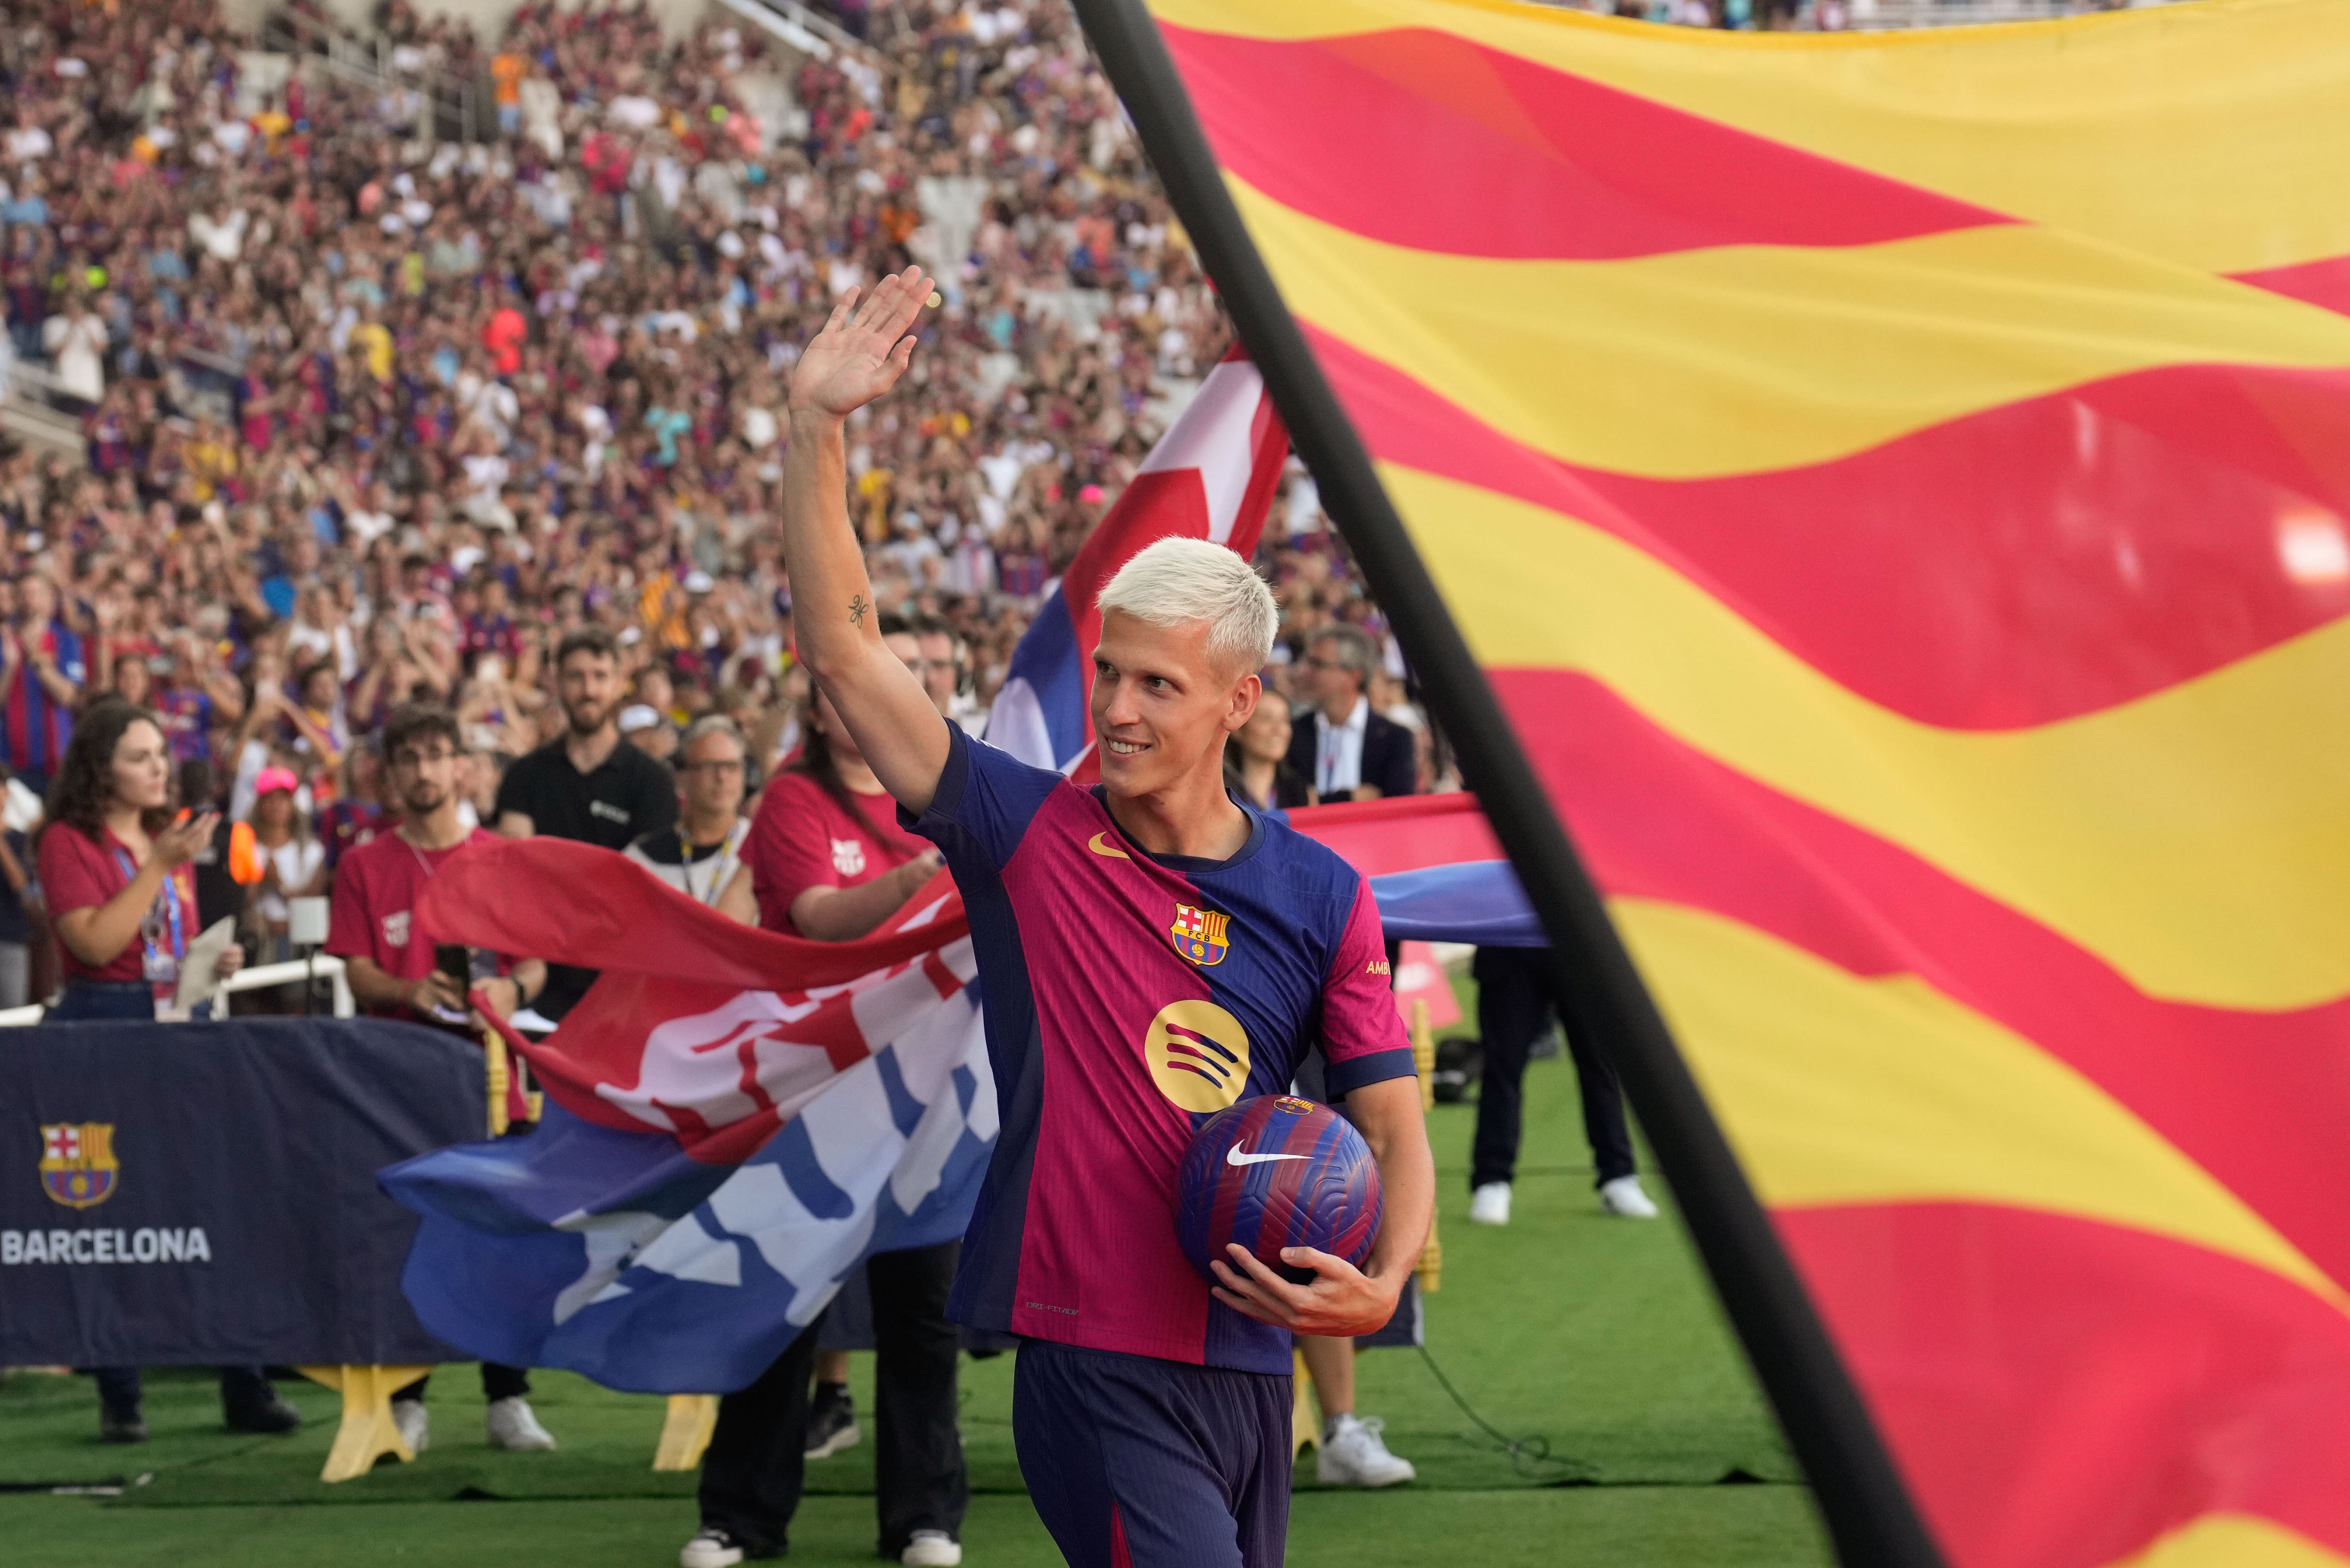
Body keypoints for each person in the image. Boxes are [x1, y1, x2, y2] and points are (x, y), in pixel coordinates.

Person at [775, 267, 1434, 1568]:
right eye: (1109, 675)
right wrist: (815, 428)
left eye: (1158, 685)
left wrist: (1389, 1271)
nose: (1118, 710)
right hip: (1092, 1355)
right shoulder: (1024, 833)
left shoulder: (1322, 895)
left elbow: (1393, 1119)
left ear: (1237, 704)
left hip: (1253, 1361)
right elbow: (848, 652)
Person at [690, 644, 966, 1568]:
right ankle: (739, 1518)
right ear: (817, 708)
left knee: (921, 1308)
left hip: (921, 1095)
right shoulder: (792, 801)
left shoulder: (940, 781)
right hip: (812, 1094)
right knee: (778, 1300)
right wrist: (919, 878)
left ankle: (925, 1517)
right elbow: (815, 920)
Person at [33, 699, 286, 1444]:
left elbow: (157, 952)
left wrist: (214, 961)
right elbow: (92, 942)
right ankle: (122, 1392)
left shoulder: (157, 842)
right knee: (110, 1215)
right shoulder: (68, 842)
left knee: (214, 1199)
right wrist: (159, 868)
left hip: (179, 1021)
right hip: (102, 1028)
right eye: (140, 756)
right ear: (100, 768)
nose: (158, 767)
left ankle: (246, 1380)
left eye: (159, 754)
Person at [324, 702, 557, 1453]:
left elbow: (535, 962)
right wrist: (408, 991)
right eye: (409, 758)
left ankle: (508, 1399)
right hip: (400, 1080)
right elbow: (357, 970)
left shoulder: (501, 856)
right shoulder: (364, 862)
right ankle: (409, 1398)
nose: (424, 770)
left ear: (462, 764)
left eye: (436, 755)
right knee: (411, 1237)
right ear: (389, 775)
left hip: (496, 1072)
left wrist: (509, 994)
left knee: (505, 1238)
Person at [493, 627, 679, 1021]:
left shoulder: (651, 781)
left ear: (618, 684)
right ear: (557, 683)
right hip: (539, 978)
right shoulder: (526, 776)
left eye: (599, 676)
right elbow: (516, 868)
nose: (588, 690)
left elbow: (649, 885)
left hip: (625, 980)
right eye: (576, 677)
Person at [1468, 947, 1659, 1225]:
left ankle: (1618, 1176)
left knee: (1602, 1066)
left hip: (1580, 945)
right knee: (1502, 1069)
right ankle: (1492, 1180)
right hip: (1508, 945)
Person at [627, 715, 751, 906]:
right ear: (683, 777)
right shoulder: (642, 860)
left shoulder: (762, 843)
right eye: (709, 766)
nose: (722, 777)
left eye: (731, 766)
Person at [1285, 625, 1417, 804]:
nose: (1304, 671)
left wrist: (1316, 799)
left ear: (1353, 677)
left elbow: (1399, 808)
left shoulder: (1395, 738)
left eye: (1317, 664)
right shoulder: (1294, 732)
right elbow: (1288, 800)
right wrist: (1349, 797)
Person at [2, 575, 86, 797]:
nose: (29, 600)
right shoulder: (4, 641)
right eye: (22, 594)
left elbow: (68, 696)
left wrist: (37, 661)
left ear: (50, 600)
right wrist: (10, 668)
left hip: (56, 762)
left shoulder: (66, 640)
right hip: (9, 762)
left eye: (36, 593)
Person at [1222, 699, 1310, 811]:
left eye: (1285, 721)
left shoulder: (1301, 793)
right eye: (1267, 719)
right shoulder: (1219, 791)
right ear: (1238, 729)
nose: (1279, 730)